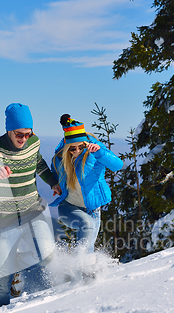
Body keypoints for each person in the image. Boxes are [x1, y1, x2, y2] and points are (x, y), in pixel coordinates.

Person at [0, 103, 61, 309]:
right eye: (19, 134)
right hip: (3, 218)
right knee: (2, 281)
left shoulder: (33, 142)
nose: (23, 139)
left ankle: (17, 267)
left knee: (47, 257)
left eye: (28, 134)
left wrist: (52, 182)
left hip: (32, 209)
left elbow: (38, 162)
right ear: (9, 130)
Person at [50, 114, 123, 274]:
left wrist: (100, 153)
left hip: (92, 209)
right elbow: (53, 174)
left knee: (88, 246)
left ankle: (82, 278)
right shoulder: (60, 159)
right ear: (67, 148)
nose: (76, 151)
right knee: (87, 227)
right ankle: (81, 269)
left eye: (80, 147)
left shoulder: (95, 154)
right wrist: (54, 184)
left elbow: (118, 165)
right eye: (72, 149)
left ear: (86, 144)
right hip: (68, 207)